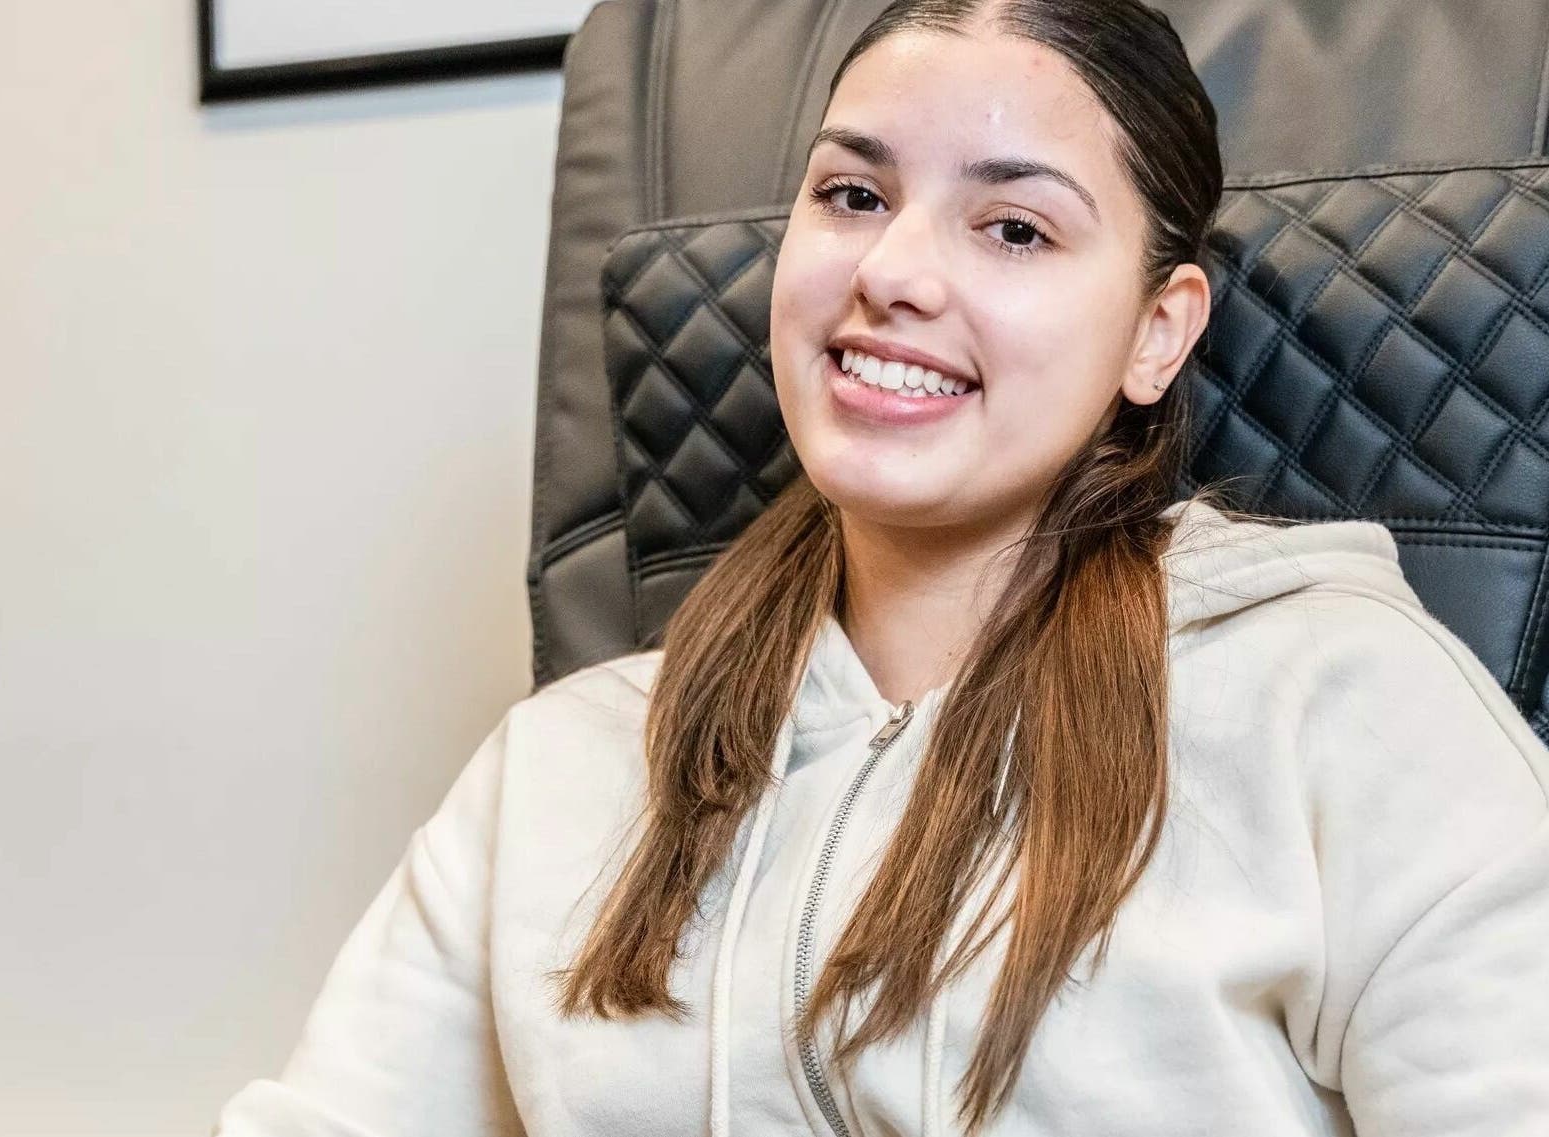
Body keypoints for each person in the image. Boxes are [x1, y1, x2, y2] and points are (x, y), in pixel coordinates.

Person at [213, 1, 1549, 1134]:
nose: (895, 272)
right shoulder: (557, 774)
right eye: (854, 195)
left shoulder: (1346, 709)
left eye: (1015, 229)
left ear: (1158, 330)